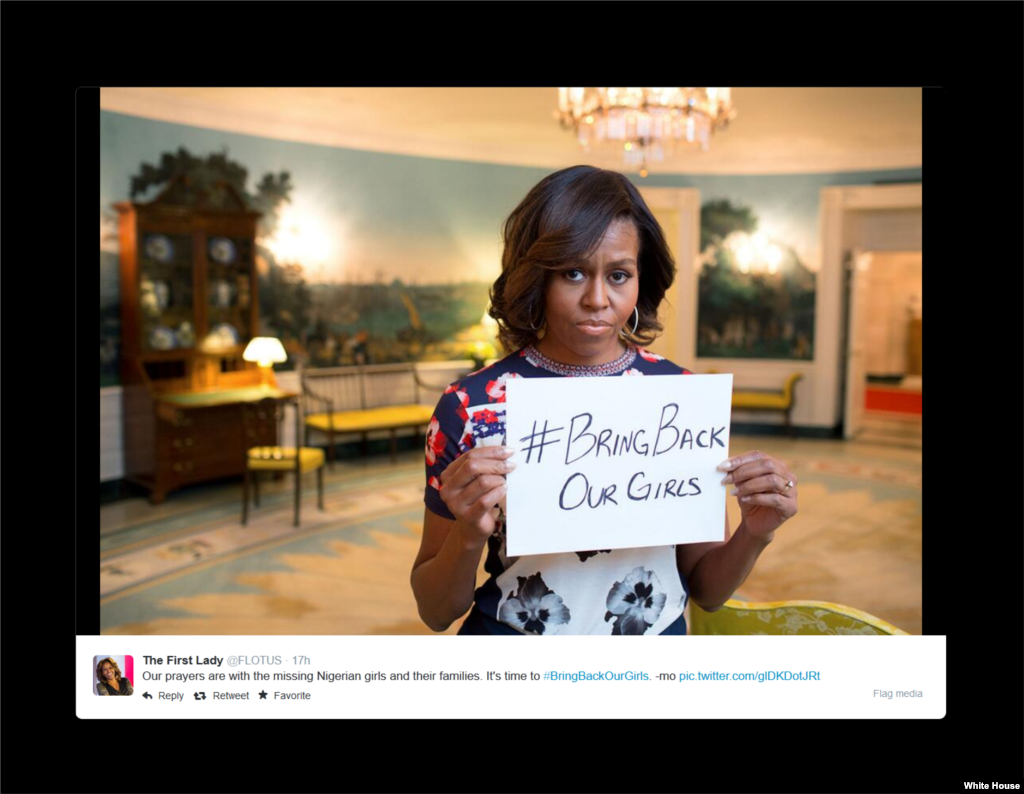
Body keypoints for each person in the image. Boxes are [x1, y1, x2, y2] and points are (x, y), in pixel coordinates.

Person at [411, 165, 798, 635]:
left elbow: (708, 591)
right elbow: (436, 612)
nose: (597, 298)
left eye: (618, 275)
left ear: (640, 280)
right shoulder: (470, 407)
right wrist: (469, 533)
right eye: (572, 272)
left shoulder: (679, 400)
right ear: (537, 277)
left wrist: (755, 532)